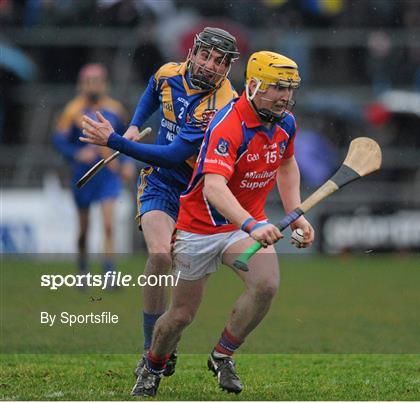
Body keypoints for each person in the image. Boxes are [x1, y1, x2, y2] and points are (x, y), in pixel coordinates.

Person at [131, 50, 315, 396]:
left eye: (290, 89)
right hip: (199, 226)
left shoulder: (285, 122)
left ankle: (222, 355)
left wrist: (296, 213)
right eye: (278, 88)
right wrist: (252, 225)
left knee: (266, 285)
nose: (286, 97)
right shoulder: (227, 123)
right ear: (255, 84)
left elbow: (287, 165)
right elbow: (214, 187)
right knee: (181, 316)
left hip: (241, 226)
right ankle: (153, 364)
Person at [80, 27, 240, 377]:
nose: (211, 65)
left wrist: (115, 141)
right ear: (193, 52)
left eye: (221, 61)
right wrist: (135, 125)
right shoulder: (170, 72)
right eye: (206, 55)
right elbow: (153, 90)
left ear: (228, 67)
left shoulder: (223, 104)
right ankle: (151, 348)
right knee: (159, 255)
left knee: (187, 288)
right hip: (161, 184)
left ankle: (173, 344)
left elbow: (173, 154)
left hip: (201, 192)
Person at [52, 63, 134, 277]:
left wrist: (127, 164)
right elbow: (59, 140)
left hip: (107, 174)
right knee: (84, 229)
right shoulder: (72, 111)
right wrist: (76, 154)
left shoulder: (115, 109)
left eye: (97, 81)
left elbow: (126, 140)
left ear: (104, 84)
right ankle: (82, 270)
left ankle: (109, 274)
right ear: (82, 84)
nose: (93, 86)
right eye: (89, 81)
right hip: (83, 174)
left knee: (108, 225)